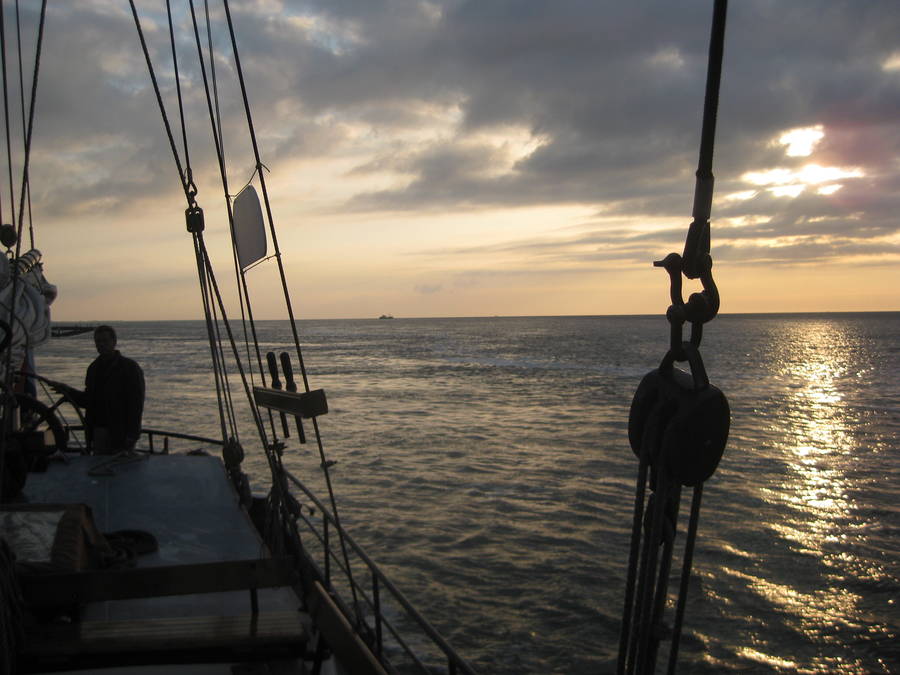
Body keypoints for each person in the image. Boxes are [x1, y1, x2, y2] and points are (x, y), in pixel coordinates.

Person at [52, 325, 145, 454]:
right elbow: (90, 401)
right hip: (98, 431)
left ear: (114, 342)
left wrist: (132, 434)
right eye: (98, 342)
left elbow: (136, 404)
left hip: (121, 432)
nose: (101, 345)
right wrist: (68, 391)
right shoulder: (93, 368)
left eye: (105, 341)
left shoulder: (130, 368)